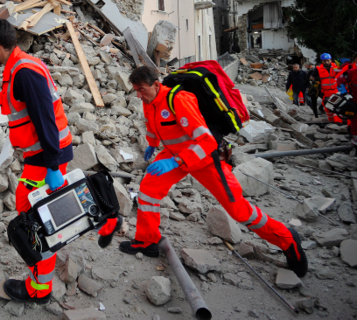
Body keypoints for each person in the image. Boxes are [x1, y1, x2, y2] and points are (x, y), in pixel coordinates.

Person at [118, 66, 308, 278]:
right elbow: (152, 125)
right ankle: (147, 241)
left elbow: (207, 141)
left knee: (239, 211)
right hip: (174, 155)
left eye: (141, 89)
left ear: (156, 84)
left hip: (205, 158)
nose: (138, 95)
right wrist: (153, 144)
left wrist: (177, 161)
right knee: (148, 190)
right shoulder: (149, 101)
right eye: (135, 90)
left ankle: (287, 240)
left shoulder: (179, 100)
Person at [0, 19, 120, 303]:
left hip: (46, 156)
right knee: (51, 208)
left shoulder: (23, 73)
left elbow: (45, 119)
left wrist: (54, 165)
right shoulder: (22, 66)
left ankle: (38, 288)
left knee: (32, 215)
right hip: (45, 153)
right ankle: (107, 221)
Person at [338, 54, 357, 145]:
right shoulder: (351, 72)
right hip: (355, 102)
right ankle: (355, 142)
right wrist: (345, 93)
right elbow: (340, 80)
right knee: (355, 123)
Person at [316, 53, 341, 122]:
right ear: (322, 61)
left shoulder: (336, 67)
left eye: (328, 60)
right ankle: (331, 121)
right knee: (327, 107)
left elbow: (341, 75)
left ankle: (338, 122)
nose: (327, 62)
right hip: (325, 92)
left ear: (331, 60)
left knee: (336, 106)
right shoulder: (319, 69)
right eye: (325, 61)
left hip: (335, 90)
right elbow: (312, 78)